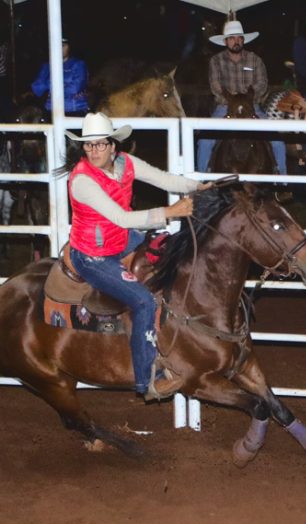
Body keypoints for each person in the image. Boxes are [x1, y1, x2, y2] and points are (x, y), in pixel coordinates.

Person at [63, 112, 210, 400]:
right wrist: (168, 213)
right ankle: (148, 380)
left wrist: (197, 187)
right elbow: (122, 218)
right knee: (142, 301)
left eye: (100, 144)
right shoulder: (81, 181)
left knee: (168, 249)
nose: (94, 151)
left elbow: (164, 179)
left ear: (112, 146)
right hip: (93, 255)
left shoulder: (125, 164)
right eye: (89, 145)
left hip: (120, 240)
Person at [196, 19, 287, 176]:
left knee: (277, 141)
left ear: (243, 40)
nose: (236, 41)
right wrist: (234, 99)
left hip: (252, 107)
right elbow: (215, 86)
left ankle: (282, 182)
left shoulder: (255, 60)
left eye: (239, 38)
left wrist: (245, 99)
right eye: (231, 38)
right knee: (205, 141)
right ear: (225, 41)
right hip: (225, 107)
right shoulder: (216, 61)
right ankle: (202, 182)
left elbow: (262, 83)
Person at [30, 38, 89, 117]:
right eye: (56, 45)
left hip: (74, 110)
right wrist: (61, 85)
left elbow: (75, 88)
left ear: (69, 47)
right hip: (51, 110)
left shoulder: (78, 64)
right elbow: (37, 89)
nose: (59, 48)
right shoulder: (47, 66)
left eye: (63, 45)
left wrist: (49, 86)